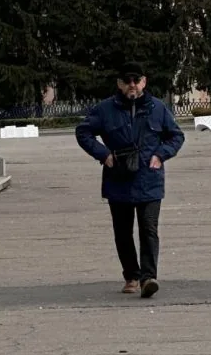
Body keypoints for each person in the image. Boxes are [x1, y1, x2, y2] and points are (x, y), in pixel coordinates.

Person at [75, 62, 185, 298]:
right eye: (128, 81)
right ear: (120, 84)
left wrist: (160, 154)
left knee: (149, 229)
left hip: (149, 178)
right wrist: (104, 155)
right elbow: (83, 132)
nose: (132, 85)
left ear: (144, 82)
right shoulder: (105, 110)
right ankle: (131, 276)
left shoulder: (157, 108)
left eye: (137, 80)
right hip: (119, 180)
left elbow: (176, 136)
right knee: (123, 232)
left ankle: (148, 278)